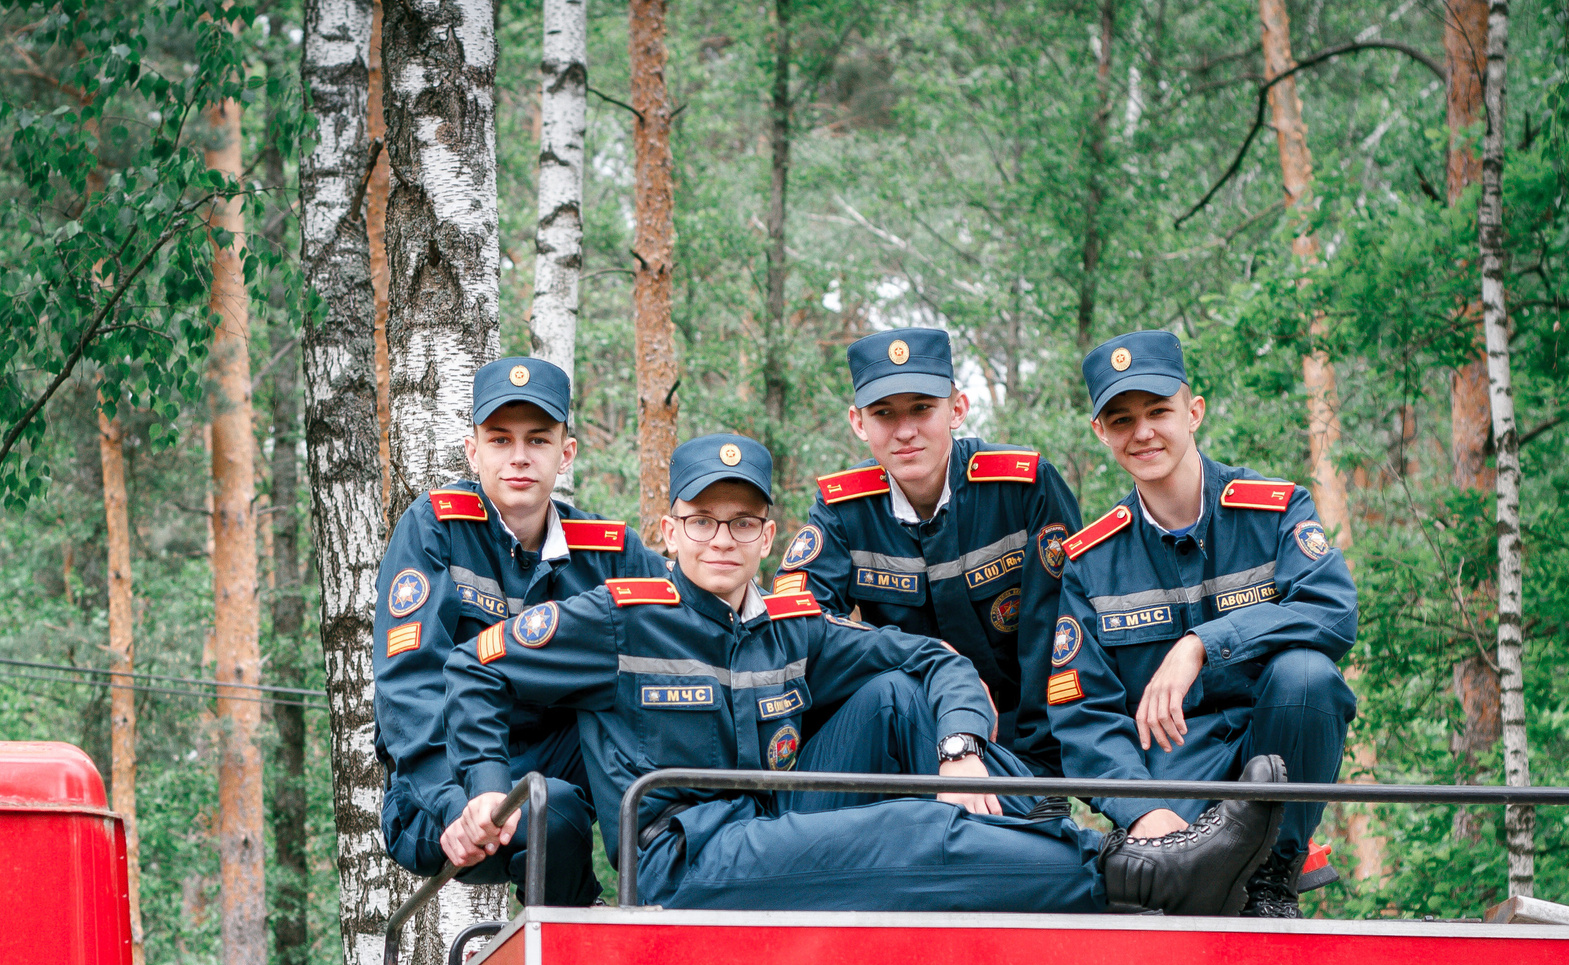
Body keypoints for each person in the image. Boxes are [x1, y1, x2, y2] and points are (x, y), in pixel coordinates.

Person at [441, 433, 1286, 916]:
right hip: (682, 862)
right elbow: (473, 669)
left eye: (741, 523)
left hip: (778, 825)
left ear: (769, 537)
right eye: (702, 521)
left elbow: (935, 659)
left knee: (892, 698)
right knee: (906, 828)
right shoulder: (617, 617)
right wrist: (483, 787)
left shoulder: (791, 627)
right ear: (669, 528)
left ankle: (1108, 836)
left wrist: (959, 748)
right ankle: (1138, 873)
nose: (721, 541)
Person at [1050, 331, 1358, 917]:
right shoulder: (1090, 561)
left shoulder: (1274, 511)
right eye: (1120, 420)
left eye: (1158, 411)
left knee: (1307, 675)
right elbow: (1081, 713)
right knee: (1180, 918)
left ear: (1194, 413)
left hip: (1274, 750)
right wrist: (1143, 809)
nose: (1142, 433)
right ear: (1101, 434)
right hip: (1173, 771)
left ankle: (1273, 880)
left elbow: (1334, 611)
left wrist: (1201, 643)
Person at [373, 355, 669, 903]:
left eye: (537, 440)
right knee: (546, 807)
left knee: (648, 701)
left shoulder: (610, 551)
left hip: (557, 768)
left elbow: (686, 626)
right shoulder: (435, 528)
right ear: (473, 450)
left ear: (566, 454)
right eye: (500, 440)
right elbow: (408, 687)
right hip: (435, 792)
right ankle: (586, 923)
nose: (518, 458)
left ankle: (667, 890)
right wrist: (454, 803)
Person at [786, 328, 1081, 781]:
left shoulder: (1023, 486)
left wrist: (1036, 774)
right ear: (858, 423)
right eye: (884, 413)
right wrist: (928, 656)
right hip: (914, 738)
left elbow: (1060, 630)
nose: (905, 431)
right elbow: (796, 627)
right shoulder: (842, 511)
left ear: (957, 409)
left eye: (922, 408)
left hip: (1030, 745)